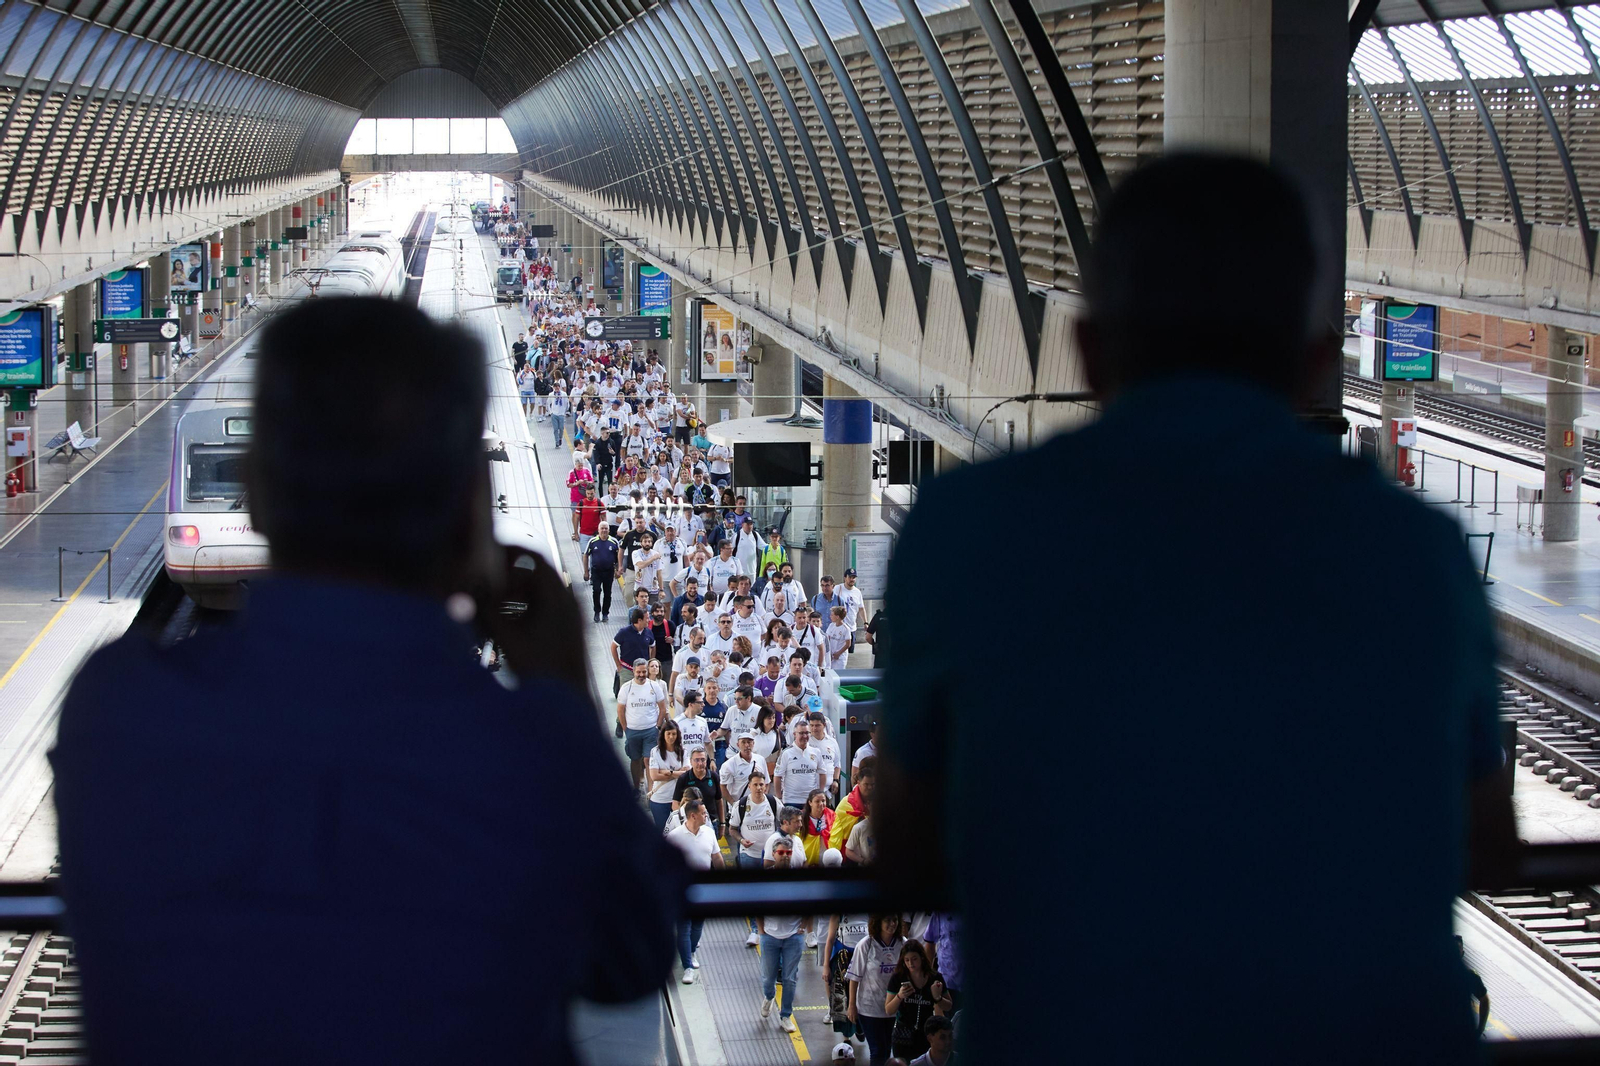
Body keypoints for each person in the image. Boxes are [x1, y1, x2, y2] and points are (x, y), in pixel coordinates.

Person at [874, 154, 1519, 1065]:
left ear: (1090, 352)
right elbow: (1487, 845)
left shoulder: (962, 533)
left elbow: (904, 849)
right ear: (1315, 365)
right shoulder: (1422, 555)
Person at [50, 296, 681, 1064]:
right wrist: (561, 689)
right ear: (467, 509)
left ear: (255, 488)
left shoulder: (117, 709)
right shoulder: (529, 748)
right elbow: (634, 959)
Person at [666, 797, 723, 985]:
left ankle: (690, 952)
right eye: (703, 813)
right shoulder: (674, 837)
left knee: (697, 925)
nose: (707, 816)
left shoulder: (709, 832)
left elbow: (716, 857)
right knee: (683, 928)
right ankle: (687, 966)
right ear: (693, 815)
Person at [756, 835, 806, 1034]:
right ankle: (769, 997)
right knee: (768, 978)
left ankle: (785, 1014)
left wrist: (804, 925)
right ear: (773, 854)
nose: (785, 857)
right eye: (781, 853)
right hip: (770, 936)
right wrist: (761, 930)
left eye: (789, 853)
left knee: (790, 978)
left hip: (794, 936)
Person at [846, 914, 906, 1065]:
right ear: (878, 922)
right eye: (887, 920)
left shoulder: (903, 944)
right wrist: (852, 1005)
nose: (892, 924)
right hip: (870, 1009)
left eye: (895, 920)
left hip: (894, 1008)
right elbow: (854, 978)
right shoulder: (866, 944)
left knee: (887, 1049)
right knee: (878, 1050)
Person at [885, 940, 950, 1062]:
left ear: (922, 957)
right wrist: (899, 996)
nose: (911, 964)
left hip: (926, 1034)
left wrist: (937, 997)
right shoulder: (898, 977)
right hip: (903, 1033)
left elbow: (948, 1006)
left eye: (914, 959)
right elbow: (889, 1010)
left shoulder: (934, 977)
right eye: (907, 960)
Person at [616, 653, 668, 792]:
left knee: (648, 759)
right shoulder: (626, 688)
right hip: (632, 730)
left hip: (650, 730)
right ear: (633, 671)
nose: (641, 674)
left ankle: (650, 790)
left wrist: (657, 725)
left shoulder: (654, 686)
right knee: (635, 759)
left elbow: (662, 708)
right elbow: (620, 710)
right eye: (638, 672)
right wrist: (626, 729)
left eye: (644, 671)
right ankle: (635, 787)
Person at [647, 720, 687, 830]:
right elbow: (654, 776)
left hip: (679, 798)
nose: (671, 737)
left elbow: (687, 774)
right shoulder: (655, 752)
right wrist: (678, 772)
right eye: (668, 734)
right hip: (660, 799)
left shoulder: (683, 751)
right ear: (663, 734)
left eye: (674, 734)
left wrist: (667, 772)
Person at [583, 523, 622, 624]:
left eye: (606, 528)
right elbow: (585, 555)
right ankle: (597, 612)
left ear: (609, 530)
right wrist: (586, 572)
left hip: (609, 572)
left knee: (607, 593)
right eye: (602, 528)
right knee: (596, 591)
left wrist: (618, 569)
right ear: (598, 529)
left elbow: (619, 556)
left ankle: (605, 613)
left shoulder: (614, 542)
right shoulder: (592, 541)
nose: (604, 530)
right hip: (596, 572)